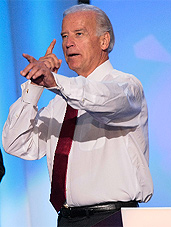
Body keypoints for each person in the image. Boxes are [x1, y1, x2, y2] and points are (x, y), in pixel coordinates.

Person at [2, 4, 153, 226]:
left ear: (104, 41)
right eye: (64, 35)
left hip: (113, 218)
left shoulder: (126, 87)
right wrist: (35, 87)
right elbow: (15, 143)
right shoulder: (59, 104)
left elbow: (100, 98)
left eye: (78, 34)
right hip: (67, 219)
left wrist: (55, 82)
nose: (68, 43)